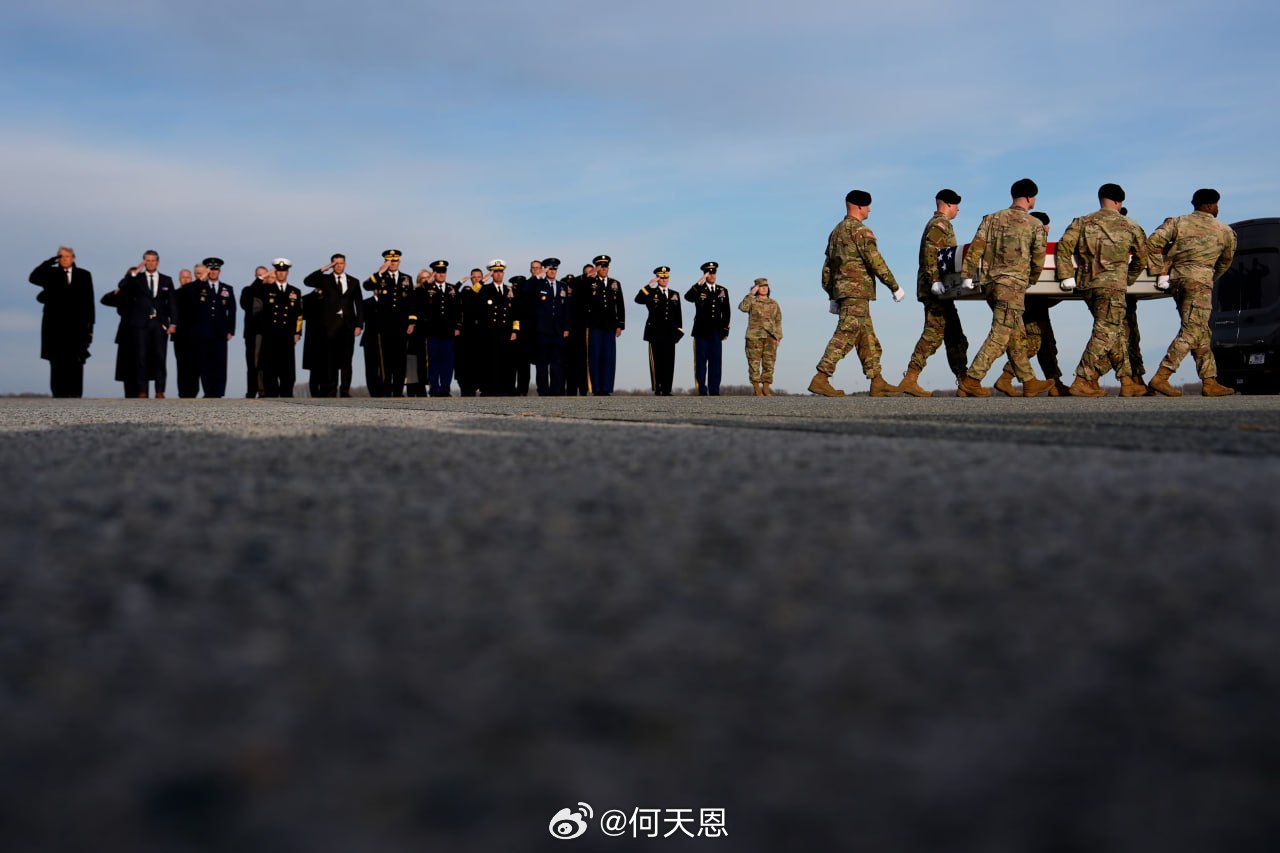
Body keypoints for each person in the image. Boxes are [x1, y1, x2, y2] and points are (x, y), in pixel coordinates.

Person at [956, 180, 1056, 398]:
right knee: (1000, 335)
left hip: (990, 284)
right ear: (1030, 198)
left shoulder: (991, 219)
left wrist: (966, 274)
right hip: (1012, 286)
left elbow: (977, 247)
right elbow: (1039, 257)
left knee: (1016, 334)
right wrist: (1031, 279)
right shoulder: (1034, 224)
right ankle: (972, 379)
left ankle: (1028, 381)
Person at [1055, 184, 1149, 398]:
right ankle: (1082, 379)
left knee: (1112, 332)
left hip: (1088, 284)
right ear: (1119, 202)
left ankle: (1126, 381)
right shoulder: (1130, 225)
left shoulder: (1082, 222)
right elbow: (1143, 257)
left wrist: (1066, 276)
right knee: (1106, 331)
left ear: (1101, 199)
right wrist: (1128, 279)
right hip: (1113, 285)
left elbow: (1063, 248)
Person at [810, 189, 906, 397]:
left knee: (867, 337)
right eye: (868, 206)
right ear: (861, 207)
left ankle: (877, 380)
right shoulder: (861, 231)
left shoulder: (836, 232)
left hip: (845, 291)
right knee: (846, 333)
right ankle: (821, 376)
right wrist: (894, 286)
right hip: (857, 291)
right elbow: (875, 261)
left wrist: (832, 294)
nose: (870, 210)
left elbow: (828, 267)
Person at [1146, 189, 1238, 397]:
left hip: (1177, 280)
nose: (1217, 208)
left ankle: (1209, 381)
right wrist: (1209, 277)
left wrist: (1159, 272)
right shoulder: (1224, 230)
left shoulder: (1177, 222)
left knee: (1200, 330)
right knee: (1192, 330)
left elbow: (1152, 243)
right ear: (1210, 206)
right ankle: (1162, 376)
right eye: (1216, 204)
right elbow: (1226, 261)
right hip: (1200, 281)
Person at [900, 189, 967, 397]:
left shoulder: (941, 224)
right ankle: (910, 378)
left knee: (955, 336)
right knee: (934, 334)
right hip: (934, 289)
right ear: (947, 204)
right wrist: (935, 281)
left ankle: (965, 382)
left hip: (941, 290)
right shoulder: (939, 224)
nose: (958, 209)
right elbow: (932, 252)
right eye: (956, 205)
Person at [28, 247, 95, 398]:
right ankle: (58, 396)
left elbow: (89, 303)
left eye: (67, 256)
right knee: (57, 362)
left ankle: (75, 396)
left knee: (77, 362)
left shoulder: (84, 275)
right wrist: (49, 262)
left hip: (77, 327)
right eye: (60, 257)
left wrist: (90, 328)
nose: (64, 259)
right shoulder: (50, 273)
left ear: (73, 258)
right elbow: (33, 277)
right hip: (55, 326)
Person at [111, 250, 178, 398]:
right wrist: (134, 273)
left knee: (160, 358)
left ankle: (160, 391)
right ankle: (142, 390)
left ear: (158, 262)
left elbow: (172, 303)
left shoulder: (167, 280)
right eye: (147, 260)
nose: (151, 263)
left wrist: (173, 323)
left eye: (153, 260)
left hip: (160, 324)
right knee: (141, 358)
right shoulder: (137, 279)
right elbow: (122, 285)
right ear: (144, 262)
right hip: (141, 324)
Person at [305, 254, 364, 397]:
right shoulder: (325, 280)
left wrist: (359, 325)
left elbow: (359, 305)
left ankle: (345, 390)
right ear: (332, 264)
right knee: (330, 359)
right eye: (335, 263)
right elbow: (307, 281)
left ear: (345, 264)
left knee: (346, 360)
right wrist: (324, 269)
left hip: (348, 325)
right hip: (329, 326)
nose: (338, 266)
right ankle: (331, 390)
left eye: (341, 263)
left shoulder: (354, 281)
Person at [363, 249, 415, 397]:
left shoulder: (407, 278)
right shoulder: (380, 277)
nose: (393, 263)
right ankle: (386, 389)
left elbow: (411, 302)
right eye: (390, 261)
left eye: (395, 261)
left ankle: (398, 390)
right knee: (385, 360)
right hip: (384, 326)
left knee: (400, 358)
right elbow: (366, 286)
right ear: (386, 262)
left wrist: (411, 322)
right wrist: (379, 273)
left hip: (401, 326)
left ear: (399, 261)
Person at [189, 258, 235, 397]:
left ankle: (219, 391)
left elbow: (232, 310)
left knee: (220, 362)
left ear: (219, 271)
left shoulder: (227, 288)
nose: (213, 272)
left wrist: (230, 330)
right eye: (211, 269)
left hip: (220, 332)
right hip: (203, 332)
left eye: (216, 269)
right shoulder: (199, 287)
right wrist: (201, 278)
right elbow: (189, 293)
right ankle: (208, 391)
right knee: (205, 362)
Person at [685, 261, 732, 395]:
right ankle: (702, 389)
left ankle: (714, 389)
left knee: (716, 362)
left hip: (716, 332)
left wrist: (725, 330)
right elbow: (687, 297)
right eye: (709, 273)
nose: (712, 275)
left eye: (714, 272)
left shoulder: (722, 290)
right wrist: (699, 283)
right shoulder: (699, 289)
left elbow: (727, 312)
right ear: (705, 274)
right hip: (701, 332)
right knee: (701, 363)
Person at [636, 266, 684, 396]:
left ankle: (667, 389)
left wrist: (679, 331)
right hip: (655, 333)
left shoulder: (675, 294)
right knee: (657, 362)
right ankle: (658, 387)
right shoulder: (651, 293)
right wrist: (648, 285)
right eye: (661, 278)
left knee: (669, 361)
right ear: (658, 279)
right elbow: (638, 299)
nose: (664, 280)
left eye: (666, 277)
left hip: (670, 334)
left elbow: (678, 314)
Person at [259, 259, 302, 397]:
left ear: (287, 273)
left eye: (284, 271)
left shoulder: (295, 291)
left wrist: (298, 332)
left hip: (287, 335)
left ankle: (287, 394)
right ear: (275, 272)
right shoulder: (266, 289)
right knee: (270, 368)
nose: (282, 274)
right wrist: (262, 277)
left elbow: (299, 315)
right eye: (279, 271)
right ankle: (271, 394)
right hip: (271, 335)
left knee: (287, 369)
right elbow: (250, 292)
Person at [419, 259, 461, 397]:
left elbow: (458, 310)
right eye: (439, 272)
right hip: (433, 331)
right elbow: (417, 298)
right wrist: (426, 284)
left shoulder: (452, 289)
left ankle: (445, 388)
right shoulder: (427, 289)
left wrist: (458, 326)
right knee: (433, 361)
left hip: (448, 332)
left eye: (444, 272)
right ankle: (434, 388)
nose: (442, 274)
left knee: (448, 361)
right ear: (434, 273)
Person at [585, 255, 625, 395]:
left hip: (610, 326)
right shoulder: (590, 282)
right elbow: (580, 295)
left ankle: (607, 387)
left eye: (606, 266)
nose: (604, 269)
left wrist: (620, 324)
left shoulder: (615, 283)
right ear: (597, 267)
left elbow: (620, 305)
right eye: (601, 266)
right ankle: (596, 388)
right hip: (595, 325)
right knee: (595, 356)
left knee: (608, 358)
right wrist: (587, 277)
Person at [532, 258, 572, 395]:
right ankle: (543, 390)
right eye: (550, 269)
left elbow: (566, 309)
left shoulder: (562, 286)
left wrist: (566, 328)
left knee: (557, 363)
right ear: (545, 269)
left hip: (558, 331)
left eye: (555, 269)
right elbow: (525, 289)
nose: (552, 271)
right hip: (542, 331)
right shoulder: (538, 284)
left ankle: (556, 391)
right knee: (542, 364)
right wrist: (539, 274)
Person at [478, 260, 518, 395]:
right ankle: (490, 390)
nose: (499, 274)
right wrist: (483, 280)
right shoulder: (485, 289)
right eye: (495, 272)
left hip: (507, 332)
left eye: (500, 272)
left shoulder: (510, 290)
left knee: (507, 363)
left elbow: (516, 313)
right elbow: (472, 296)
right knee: (491, 363)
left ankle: (506, 389)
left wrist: (515, 330)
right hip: (490, 333)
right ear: (492, 273)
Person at [739, 277, 782, 396]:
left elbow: (778, 321)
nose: (764, 289)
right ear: (757, 288)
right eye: (761, 287)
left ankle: (766, 387)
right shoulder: (752, 301)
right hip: (754, 337)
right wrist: (751, 293)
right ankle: (756, 387)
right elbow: (743, 308)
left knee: (769, 363)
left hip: (770, 337)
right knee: (754, 363)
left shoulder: (774, 303)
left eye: (766, 286)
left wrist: (778, 337)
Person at [173, 264, 207, 398]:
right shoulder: (176, 294)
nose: (186, 280)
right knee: (182, 365)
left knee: (196, 365)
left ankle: (193, 391)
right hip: (180, 335)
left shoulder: (197, 292)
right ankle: (183, 392)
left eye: (188, 277)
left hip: (196, 335)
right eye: (183, 277)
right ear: (179, 279)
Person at [565, 262, 594, 395]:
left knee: (583, 361)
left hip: (584, 329)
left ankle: (583, 389)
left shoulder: (589, 289)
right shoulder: (578, 285)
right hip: (572, 331)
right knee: (571, 361)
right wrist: (585, 277)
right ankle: (571, 389)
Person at [456, 268, 485, 397]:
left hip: (483, 332)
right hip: (468, 332)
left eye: (479, 277)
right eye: (474, 277)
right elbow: (463, 299)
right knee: (468, 362)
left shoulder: (487, 291)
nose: (477, 279)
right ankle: (468, 387)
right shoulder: (467, 291)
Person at [240, 266, 268, 397]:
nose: (261, 278)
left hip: (267, 333)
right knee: (253, 364)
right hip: (253, 333)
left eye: (263, 275)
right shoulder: (248, 290)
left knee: (265, 364)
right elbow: (245, 304)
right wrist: (258, 281)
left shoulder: (269, 290)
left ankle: (264, 390)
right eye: (258, 275)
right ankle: (251, 390)